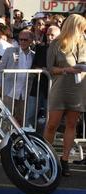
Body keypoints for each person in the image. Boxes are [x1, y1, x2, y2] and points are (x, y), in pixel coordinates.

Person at [43, 14, 86, 177]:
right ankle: (46, 156)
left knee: (71, 124)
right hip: (60, 87)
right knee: (52, 124)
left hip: (79, 88)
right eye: (81, 27)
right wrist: (65, 70)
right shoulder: (56, 43)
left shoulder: (84, 43)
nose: (83, 30)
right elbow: (50, 68)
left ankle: (65, 160)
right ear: (73, 26)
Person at [0, 29, 35, 126]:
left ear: (31, 41)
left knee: (22, 120)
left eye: (25, 40)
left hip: (25, 93)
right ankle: (4, 139)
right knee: (6, 119)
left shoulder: (34, 55)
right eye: (21, 39)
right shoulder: (10, 51)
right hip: (9, 91)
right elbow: (0, 69)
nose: (23, 42)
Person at [26, 25, 60, 128]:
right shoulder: (40, 48)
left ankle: (45, 141)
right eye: (48, 34)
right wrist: (42, 70)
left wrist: (50, 70)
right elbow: (33, 66)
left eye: (52, 35)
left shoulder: (62, 51)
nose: (49, 37)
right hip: (37, 87)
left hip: (52, 89)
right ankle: (27, 138)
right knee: (30, 116)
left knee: (49, 119)